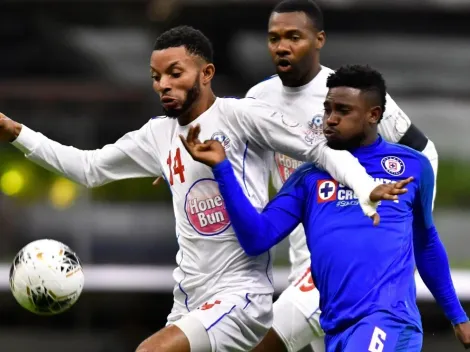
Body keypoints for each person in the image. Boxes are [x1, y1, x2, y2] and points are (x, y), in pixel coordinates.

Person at [0, 27, 399, 352]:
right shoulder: (156, 135)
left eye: (176, 73)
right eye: (157, 77)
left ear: (206, 74)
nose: (164, 85)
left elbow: (320, 151)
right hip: (188, 298)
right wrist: (16, 133)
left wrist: (365, 186)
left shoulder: (240, 116)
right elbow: (88, 169)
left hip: (239, 296)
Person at [182, 64, 470, 351]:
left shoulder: (412, 166)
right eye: (328, 109)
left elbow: (426, 244)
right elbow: (257, 238)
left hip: (388, 321)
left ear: (373, 115)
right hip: (337, 328)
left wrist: (457, 316)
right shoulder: (309, 177)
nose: (330, 120)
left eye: (343, 111)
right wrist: (221, 169)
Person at [245, 0, 439, 350]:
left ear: (318, 39)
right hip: (310, 266)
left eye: (293, 36)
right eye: (274, 38)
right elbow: (230, 152)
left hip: (357, 273)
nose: (282, 46)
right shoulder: (258, 99)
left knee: (262, 344)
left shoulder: (349, 92)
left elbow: (425, 154)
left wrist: (401, 237)